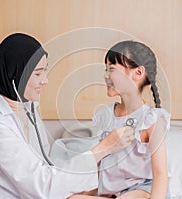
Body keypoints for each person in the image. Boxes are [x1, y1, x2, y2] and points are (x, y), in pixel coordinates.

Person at [0, 33, 135, 199]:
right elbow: (42, 185)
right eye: (38, 73)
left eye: (44, 70)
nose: (45, 80)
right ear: (14, 76)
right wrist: (103, 149)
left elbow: (44, 167)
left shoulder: (25, 108)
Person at [70, 41, 170, 199]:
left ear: (138, 73)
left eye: (112, 69)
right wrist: (91, 192)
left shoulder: (151, 119)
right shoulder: (106, 116)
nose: (106, 75)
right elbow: (103, 166)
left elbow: (160, 174)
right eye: (106, 69)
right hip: (113, 193)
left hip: (143, 190)